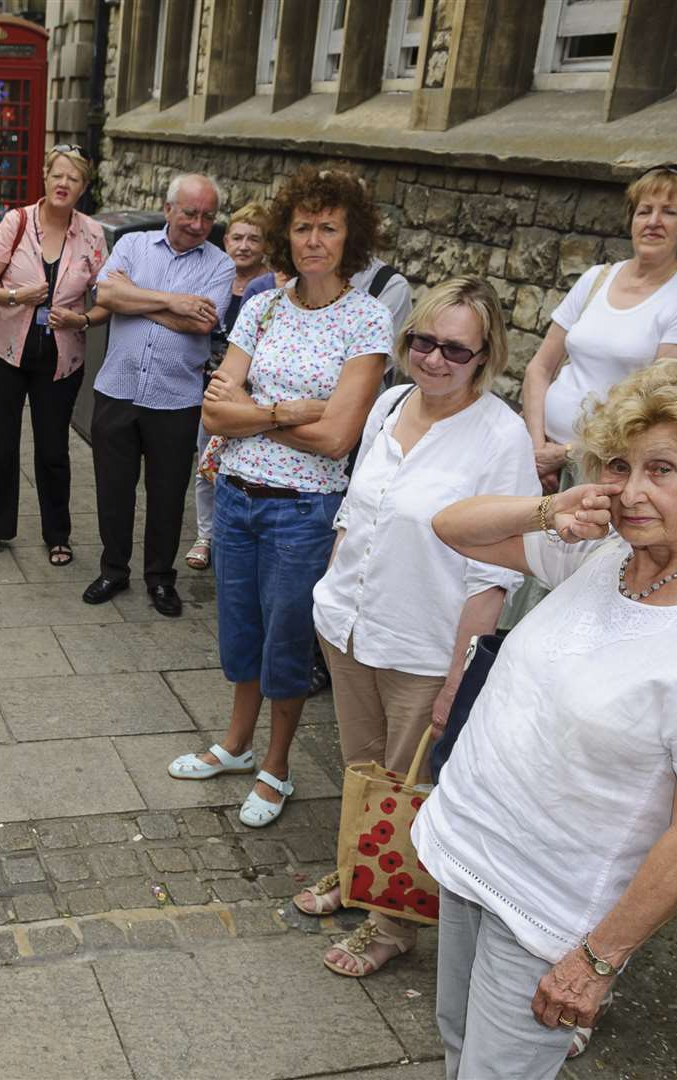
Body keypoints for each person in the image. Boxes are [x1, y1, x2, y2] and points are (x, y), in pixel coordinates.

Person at [417, 359, 677, 1078]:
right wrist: (549, 509)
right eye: (618, 465)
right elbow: (450, 526)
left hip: (549, 911)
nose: (631, 491)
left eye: (660, 469)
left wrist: (596, 960)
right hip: (474, 854)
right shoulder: (609, 550)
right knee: (455, 1041)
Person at [290, 277, 538, 978]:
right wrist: (330, 591)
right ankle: (353, 870)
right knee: (360, 770)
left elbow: (495, 571)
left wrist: (457, 676)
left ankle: (390, 922)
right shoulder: (392, 403)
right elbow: (356, 508)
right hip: (348, 626)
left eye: (452, 349)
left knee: (405, 786)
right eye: (420, 341)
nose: (431, 359)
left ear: (484, 355)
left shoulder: (500, 436)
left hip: (423, 643)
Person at [171, 165, 393, 827]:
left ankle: (277, 766)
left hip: (305, 510)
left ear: (349, 238)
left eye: (327, 228)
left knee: (285, 642)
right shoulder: (264, 304)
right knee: (239, 631)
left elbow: (337, 438)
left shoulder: (367, 319)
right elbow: (214, 415)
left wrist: (255, 409)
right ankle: (236, 746)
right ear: (285, 233)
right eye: (302, 227)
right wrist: (286, 412)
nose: (313, 240)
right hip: (236, 495)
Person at [81, 173, 232, 616]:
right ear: (168, 210)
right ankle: (113, 569)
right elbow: (106, 293)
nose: (198, 224)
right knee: (113, 488)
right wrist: (176, 302)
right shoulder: (131, 245)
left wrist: (139, 300)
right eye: (189, 212)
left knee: (167, 495)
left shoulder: (220, 264)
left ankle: (161, 579)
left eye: (207, 216)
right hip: (117, 389)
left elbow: (203, 323)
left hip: (176, 399)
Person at [522, 162, 677, 496]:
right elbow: (540, 367)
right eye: (644, 211)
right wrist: (537, 449)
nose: (653, 222)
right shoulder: (596, 278)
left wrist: (566, 454)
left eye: (669, 212)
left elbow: (658, 404)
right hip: (537, 454)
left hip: (602, 468)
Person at [0, 145, 108, 567]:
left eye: (74, 179)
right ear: (45, 177)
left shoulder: (93, 235)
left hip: (61, 360)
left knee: (52, 450)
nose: (64, 184)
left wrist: (81, 320)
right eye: (58, 175)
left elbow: (108, 301)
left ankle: (57, 534)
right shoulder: (17, 221)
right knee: (1, 445)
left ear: (83, 188)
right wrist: (15, 295)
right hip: (3, 353)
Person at [188, 201, 271, 572]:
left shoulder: (270, 289)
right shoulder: (215, 277)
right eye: (237, 237)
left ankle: (235, 535)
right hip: (208, 385)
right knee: (206, 462)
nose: (245, 245)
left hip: (252, 394)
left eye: (254, 238)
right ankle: (205, 535)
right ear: (226, 241)